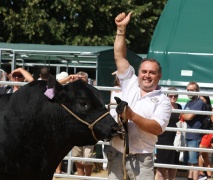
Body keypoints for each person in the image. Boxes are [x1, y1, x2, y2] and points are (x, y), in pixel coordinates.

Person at [107, 12, 172, 180]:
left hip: (142, 159)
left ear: (159, 76)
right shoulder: (129, 81)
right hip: (116, 153)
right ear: (138, 72)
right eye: (144, 71)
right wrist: (121, 29)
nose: (147, 75)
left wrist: (132, 116)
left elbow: (157, 128)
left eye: (152, 72)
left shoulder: (163, 100)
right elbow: (119, 56)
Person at [70, 71, 95, 177]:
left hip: (89, 129)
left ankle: (87, 178)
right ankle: (81, 177)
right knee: (77, 156)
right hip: (75, 128)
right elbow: (49, 92)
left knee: (87, 158)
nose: (80, 82)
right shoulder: (70, 91)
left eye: (82, 80)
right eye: (78, 79)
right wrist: (68, 80)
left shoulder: (92, 92)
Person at [180, 82, 206, 180]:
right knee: (189, 161)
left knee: (194, 160)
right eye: (188, 90)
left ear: (197, 91)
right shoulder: (189, 102)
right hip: (187, 134)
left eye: (192, 90)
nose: (189, 92)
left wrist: (182, 115)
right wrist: (183, 115)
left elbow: (189, 116)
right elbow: (184, 115)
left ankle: (195, 178)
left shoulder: (199, 102)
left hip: (194, 135)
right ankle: (189, 178)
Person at [155, 87, 182, 180]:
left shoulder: (179, 106)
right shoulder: (163, 106)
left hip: (175, 139)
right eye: (171, 96)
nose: (173, 97)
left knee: (173, 164)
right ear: (167, 96)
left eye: (175, 96)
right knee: (162, 164)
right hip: (163, 137)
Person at [198, 96, 213, 180]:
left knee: (198, 153)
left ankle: (201, 173)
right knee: (205, 155)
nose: (200, 101)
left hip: (208, 134)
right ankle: (209, 175)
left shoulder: (210, 110)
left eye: (202, 99)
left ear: (206, 100)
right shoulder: (201, 109)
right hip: (202, 134)